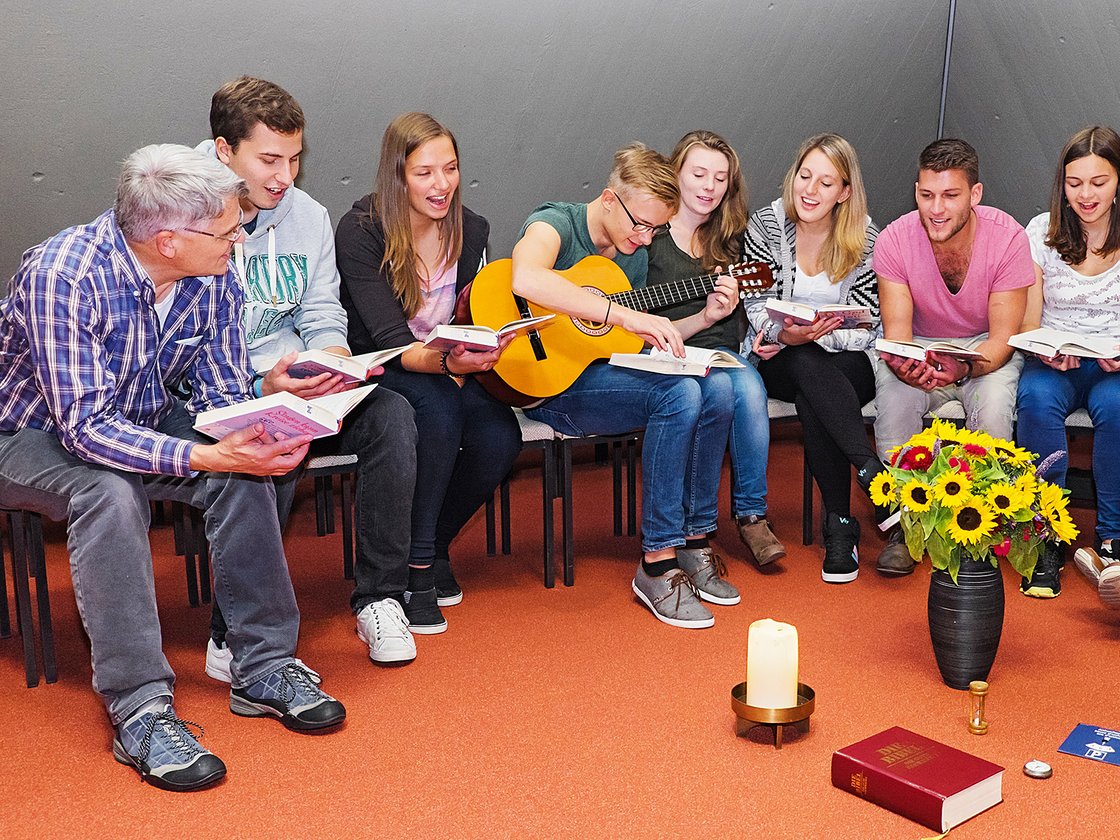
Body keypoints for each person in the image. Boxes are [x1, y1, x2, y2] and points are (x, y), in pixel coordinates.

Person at [0, 144, 345, 792]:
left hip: (142, 415)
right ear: (168, 241)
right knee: (109, 493)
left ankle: (262, 664)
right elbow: (85, 429)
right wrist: (205, 453)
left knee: (242, 465)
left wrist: (257, 430)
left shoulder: (214, 271)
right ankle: (141, 710)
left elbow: (219, 394)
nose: (239, 240)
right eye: (226, 231)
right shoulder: (62, 275)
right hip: (27, 433)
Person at [198, 77, 421, 667]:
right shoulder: (182, 212)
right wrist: (259, 386)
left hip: (293, 381)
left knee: (393, 415)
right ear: (223, 151)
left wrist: (332, 363)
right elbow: (180, 341)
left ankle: (380, 598)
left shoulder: (308, 216)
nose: (285, 176)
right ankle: (232, 631)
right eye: (269, 160)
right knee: (271, 440)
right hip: (214, 391)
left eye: (295, 159)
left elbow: (322, 311)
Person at [511, 142, 738, 629]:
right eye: (641, 224)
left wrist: (703, 318)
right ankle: (657, 564)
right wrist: (620, 313)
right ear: (610, 199)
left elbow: (630, 339)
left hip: (601, 374)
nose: (646, 236)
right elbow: (526, 279)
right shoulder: (556, 222)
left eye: (656, 229)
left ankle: (694, 539)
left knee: (717, 386)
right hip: (547, 383)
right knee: (679, 395)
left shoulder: (632, 252)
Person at [336, 112, 522, 630]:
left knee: (500, 438)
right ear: (397, 176)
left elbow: (470, 313)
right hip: (381, 367)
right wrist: (448, 364)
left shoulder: (473, 229)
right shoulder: (361, 231)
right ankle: (416, 571)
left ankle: (434, 545)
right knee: (438, 409)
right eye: (424, 173)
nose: (442, 185)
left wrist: (480, 348)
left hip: (447, 366)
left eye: (451, 168)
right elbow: (391, 343)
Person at [873, 138, 1034, 575]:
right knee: (894, 402)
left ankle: (981, 527)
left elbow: (1003, 339)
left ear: (975, 194)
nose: (936, 209)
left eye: (950, 195)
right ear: (916, 191)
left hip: (982, 348)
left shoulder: (1008, 238)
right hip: (920, 344)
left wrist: (964, 367)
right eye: (926, 195)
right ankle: (904, 524)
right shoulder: (894, 239)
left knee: (995, 408)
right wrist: (909, 367)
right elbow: (898, 335)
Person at [743, 133, 883, 583]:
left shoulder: (867, 239)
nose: (810, 190)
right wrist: (786, 335)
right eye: (805, 176)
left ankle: (841, 523)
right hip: (780, 357)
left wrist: (819, 336)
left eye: (826, 183)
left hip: (848, 358)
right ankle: (870, 470)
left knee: (815, 388)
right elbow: (755, 302)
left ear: (844, 192)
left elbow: (869, 324)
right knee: (805, 365)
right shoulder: (766, 225)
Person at [645, 130, 785, 569]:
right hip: (663, 353)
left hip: (723, 355)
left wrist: (762, 332)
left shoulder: (730, 241)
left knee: (750, 388)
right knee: (717, 388)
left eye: (720, 178)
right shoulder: (648, 235)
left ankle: (752, 515)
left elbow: (760, 300)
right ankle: (690, 530)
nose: (709, 187)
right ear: (675, 174)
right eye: (698, 174)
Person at [1017, 126, 1120, 599]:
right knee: (1036, 397)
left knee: (1117, 407)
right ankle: (1046, 536)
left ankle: (1113, 540)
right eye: (1074, 183)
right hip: (1055, 360)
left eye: (1098, 182)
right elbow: (1029, 317)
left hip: (1113, 364)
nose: (1086, 195)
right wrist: (1043, 348)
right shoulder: (1041, 231)